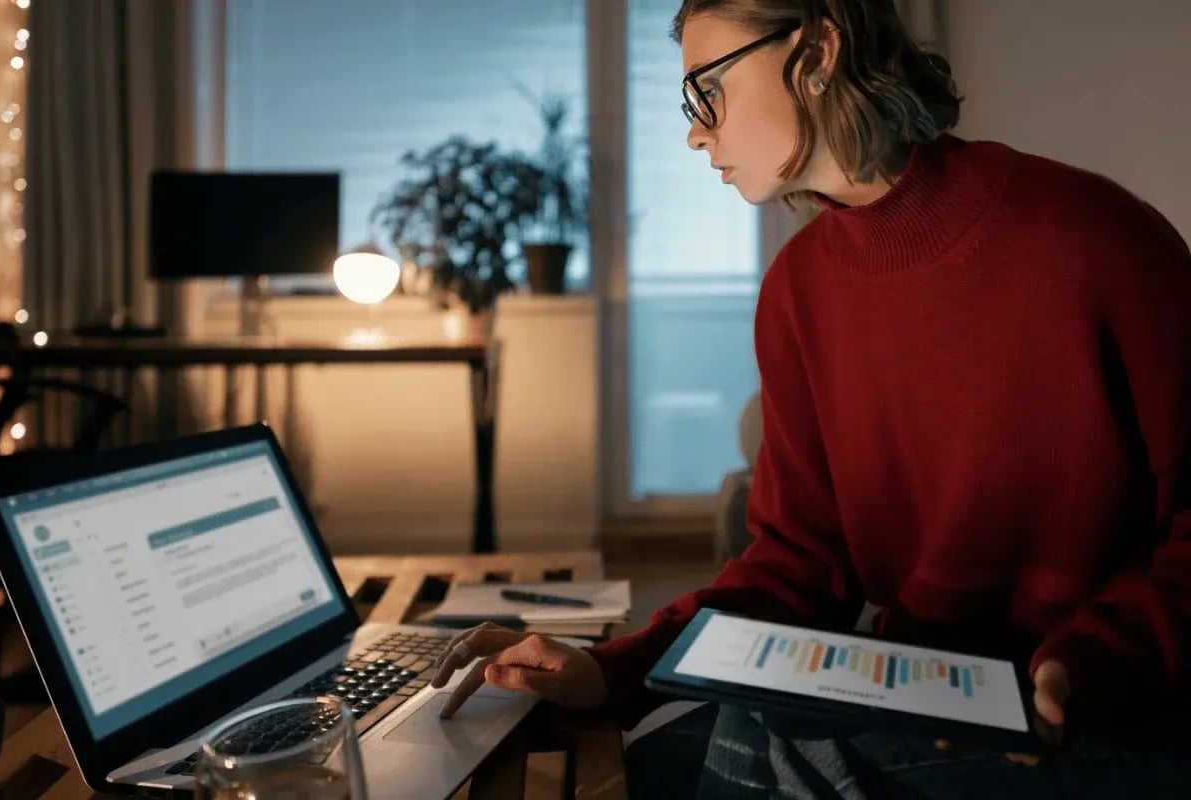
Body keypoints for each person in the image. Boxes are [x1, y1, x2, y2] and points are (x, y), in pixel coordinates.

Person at [431, 0, 1191, 796]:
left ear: (819, 51)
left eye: (707, 91)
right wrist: (608, 669)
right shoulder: (799, 290)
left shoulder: (1096, 241)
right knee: (630, 769)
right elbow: (800, 566)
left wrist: (1101, 655)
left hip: (1103, 700)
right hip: (923, 688)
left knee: (742, 761)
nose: (696, 132)